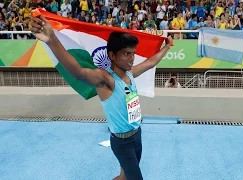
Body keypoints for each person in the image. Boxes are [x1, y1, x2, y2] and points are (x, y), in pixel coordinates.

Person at [30, 15, 173, 180]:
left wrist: (167, 47)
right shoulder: (106, 80)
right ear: (112, 55)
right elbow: (79, 72)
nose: (132, 58)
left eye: (133, 53)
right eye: (126, 54)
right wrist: (52, 40)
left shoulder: (130, 73)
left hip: (137, 135)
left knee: (124, 177)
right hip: (122, 143)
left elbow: (150, 62)